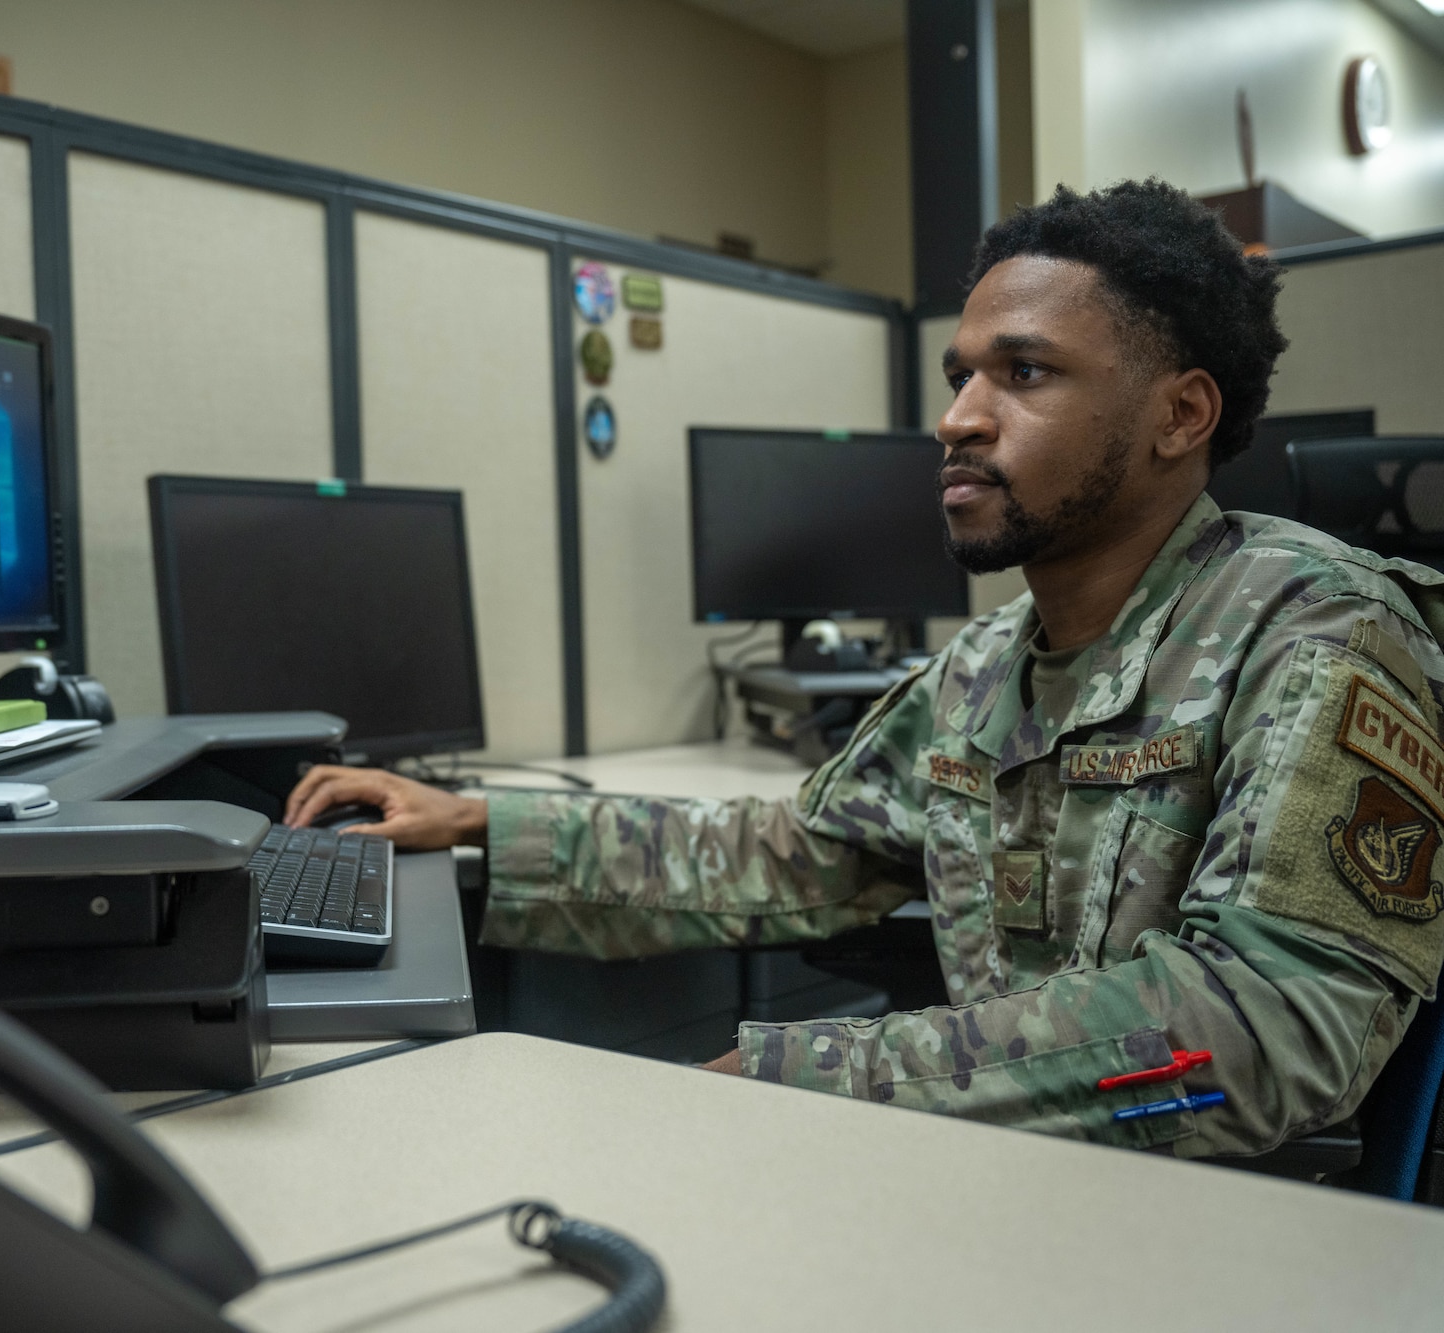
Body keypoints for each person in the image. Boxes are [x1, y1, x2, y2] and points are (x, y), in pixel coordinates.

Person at [286, 179, 1444, 1159]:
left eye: (1023, 374)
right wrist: (480, 817)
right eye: (958, 375)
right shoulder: (985, 668)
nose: (956, 419)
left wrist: (814, 1075)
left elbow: (1256, 1035)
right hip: (999, 1182)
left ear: (1179, 414)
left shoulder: (1313, 633)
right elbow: (793, 856)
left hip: (1213, 1221)